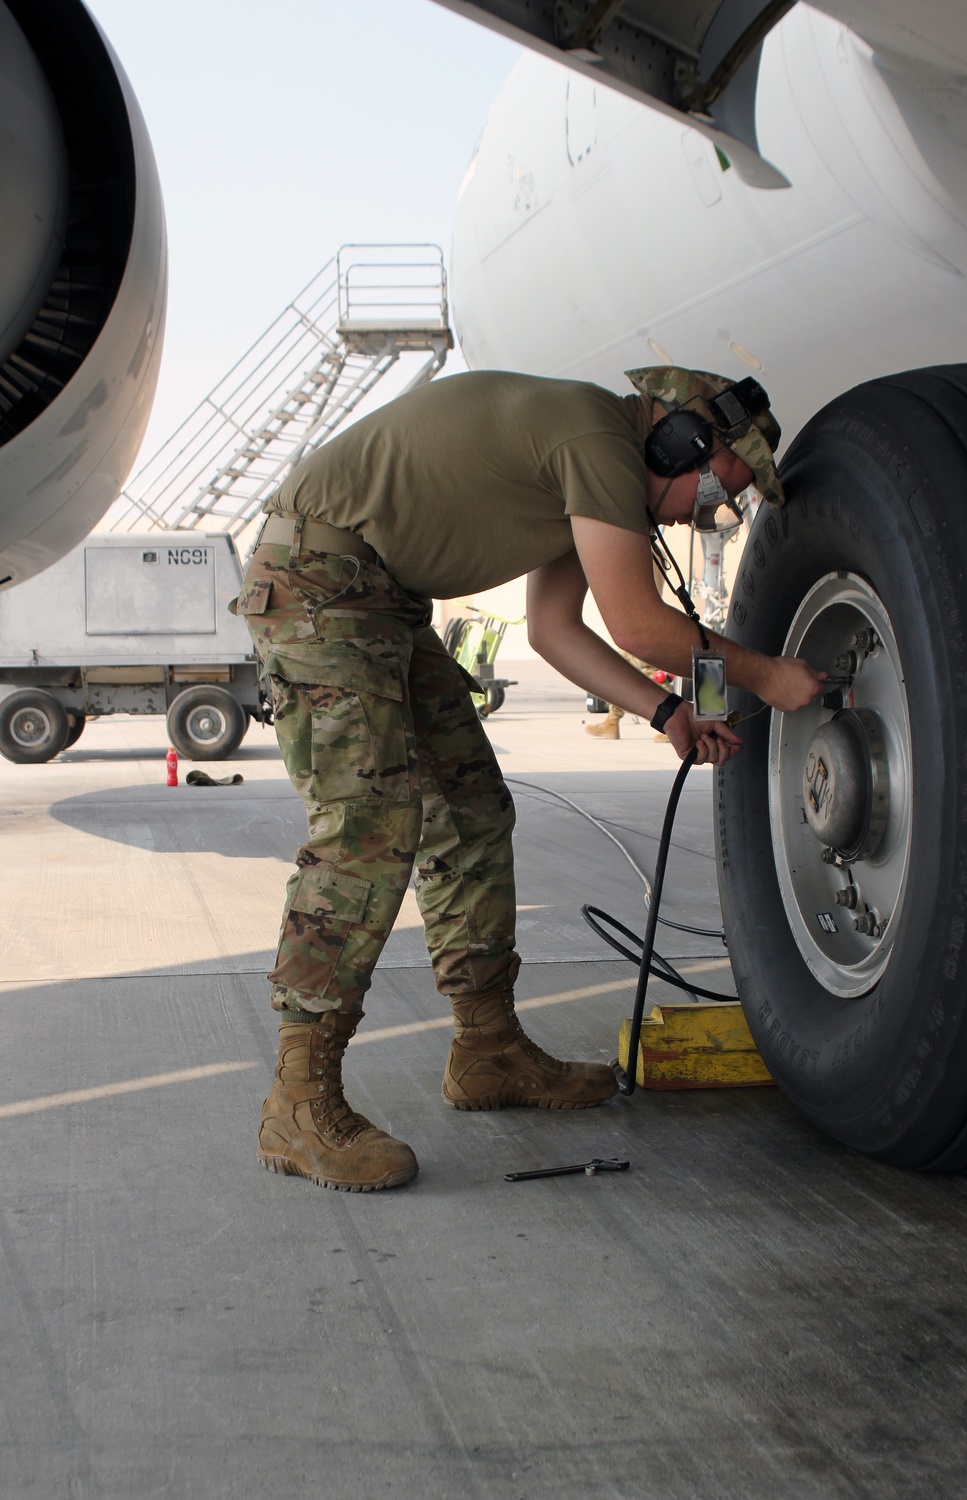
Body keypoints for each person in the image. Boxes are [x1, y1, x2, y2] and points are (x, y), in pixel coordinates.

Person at [234, 365, 824, 1193]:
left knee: (472, 809)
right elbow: (642, 627)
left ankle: (488, 1049)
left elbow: (555, 631)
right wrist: (767, 676)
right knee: (368, 828)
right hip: (321, 581)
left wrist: (670, 719)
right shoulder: (593, 439)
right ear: (683, 440)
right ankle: (298, 1098)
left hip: (379, 595)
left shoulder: (591, 473)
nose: (705, 514)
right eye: (711, 491)